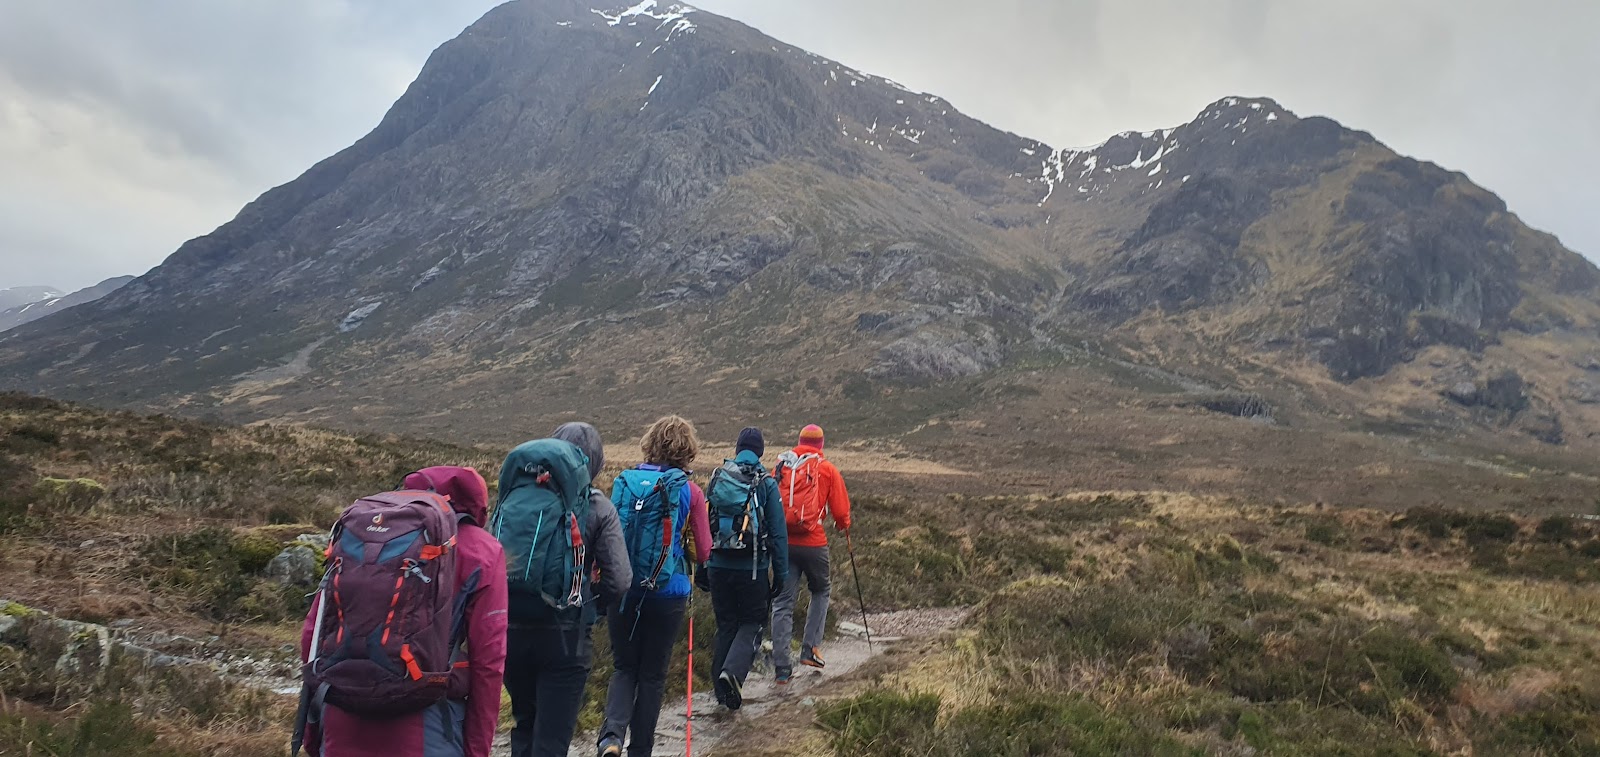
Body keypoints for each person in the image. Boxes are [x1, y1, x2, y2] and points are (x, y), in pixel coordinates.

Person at [298, 466, 508, 757]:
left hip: (340, 720)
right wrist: (477, 750)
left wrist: (311, 731)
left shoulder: (360, 535)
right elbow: (489, 662)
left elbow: (313, 636)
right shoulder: (483, 550)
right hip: (428, 729)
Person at [503, 423, 632, 757]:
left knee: (524, 727)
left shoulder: (517, 496)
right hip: (566, 634)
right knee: (551, 741)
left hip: (510, 629)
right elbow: (619, 579)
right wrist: (592, 607)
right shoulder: (598, 507)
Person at [599, 415, 712, 757]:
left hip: (624, 588)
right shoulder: (691, 491)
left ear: (650, 445)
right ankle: (641, 750)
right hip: (668, 593)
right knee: (652, 676)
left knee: (624, 667)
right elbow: (704, 551)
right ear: (687, 450)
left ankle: (611, 738)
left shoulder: (625, 481)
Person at [699, 427, 789, 710]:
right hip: (752, 568)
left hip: (717, 565)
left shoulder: (718, 476)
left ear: (738, 449)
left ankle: (722, 695)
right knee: (752, 622)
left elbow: (703, 523)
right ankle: (733, 674)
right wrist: (781, 574)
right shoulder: (766, 482)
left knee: (726, 624)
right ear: (760, 452)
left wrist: (703, 565)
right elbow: (778, 534)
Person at [769, 424, 852, 685]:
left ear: (799, 441)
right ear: (820, 445)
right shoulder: (826, 469)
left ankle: (782, 668)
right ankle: (810, 650)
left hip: (784, 543)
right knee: (821, 590)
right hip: (814, 543)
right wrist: (843, 525)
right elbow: (841, 512)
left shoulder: (780, 466)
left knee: (782, 602)